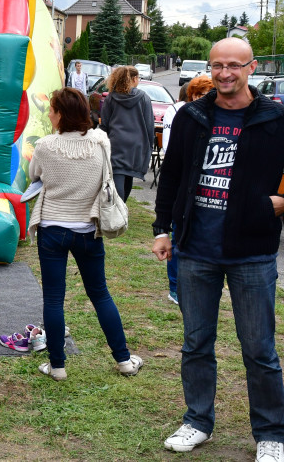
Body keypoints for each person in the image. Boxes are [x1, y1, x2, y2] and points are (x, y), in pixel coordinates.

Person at [153, 39, 284, 459]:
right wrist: (162, 229)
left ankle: (271, 434)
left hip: (252, 252)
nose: (225, 73)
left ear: (252, 67)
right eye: (217, 66)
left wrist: (279, 202)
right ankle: (197, 421)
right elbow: (170, 175)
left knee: (259, 349)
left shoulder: (275, 118)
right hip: (196, 250)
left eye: (234, 65)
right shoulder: (192, 116)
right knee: (196, 343)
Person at [29, 87, 143, 382]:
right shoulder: (101, 141)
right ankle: (124, 360)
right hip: (88, 229)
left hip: (52, 227)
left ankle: (57, 366)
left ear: (61, 114)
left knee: (53, 298)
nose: (50, 114)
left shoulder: (44, 146)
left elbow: (34, 175)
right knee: (100, 294)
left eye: (52, 109)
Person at [99, 65, 155, 201]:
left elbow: (104, 125)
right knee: (128, 176)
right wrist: (149, 146)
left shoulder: (111, 98)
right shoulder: (144, 98)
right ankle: (121, 209)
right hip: (136, 145)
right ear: (134, 78)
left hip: (116, 143)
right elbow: (149, 125)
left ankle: (119, 211)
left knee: (118, 178)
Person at [158, 85, 190, 305]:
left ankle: (180, 286)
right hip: (179, 176)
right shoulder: (178, 111)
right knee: (177, 236)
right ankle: (175, 287)